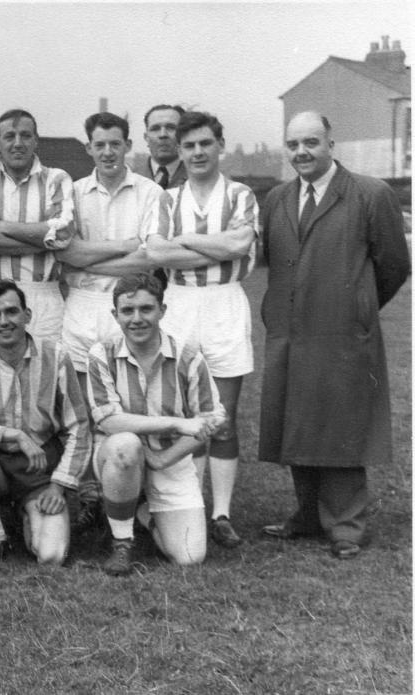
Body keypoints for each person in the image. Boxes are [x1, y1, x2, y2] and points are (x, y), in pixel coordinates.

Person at [258, 111, 409, 560]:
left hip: (344, 331)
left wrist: (358, 306)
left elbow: (395, 266)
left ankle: (346, 525)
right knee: (297, 420)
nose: (301, 152)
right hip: (289, 330)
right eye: (293, 145)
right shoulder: (278, 198)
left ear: (331, 144)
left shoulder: (370, 193)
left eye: (311, 142)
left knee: (342, 422)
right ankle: (307, 515)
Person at [145, 111, 258, 548]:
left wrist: (184, 243)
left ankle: (222, 512)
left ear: (219, 146)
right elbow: (157, 251)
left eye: (205, 144)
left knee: (222, 419)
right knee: (183, 416)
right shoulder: (167, 200)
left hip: (226, 305)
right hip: (180, 306)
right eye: (188, 145)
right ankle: (183, 503)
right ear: (180, 150)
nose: (197, 152)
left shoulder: (241, 194)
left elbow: (240, 245)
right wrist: (213, 246)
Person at [56, 111, 170, 530]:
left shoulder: (151, 192)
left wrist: (95, 254)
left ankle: (138, 499)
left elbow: (148, 258)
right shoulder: (71, 192)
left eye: (115, 143)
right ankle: (90, 498)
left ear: (128, 147)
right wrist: (123, 248)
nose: (107, 151)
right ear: (89, 148)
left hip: (131, 309)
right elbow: (66, 252)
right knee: (84, 413)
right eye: (99, 144)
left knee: (131, 406)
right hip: (82, 307)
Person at [87, 273, 225, 576]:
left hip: (169, 459)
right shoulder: (102, 353)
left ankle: (142, 513)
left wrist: (163, 458)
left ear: (162, 310)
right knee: (126, 445)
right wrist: (177, 422)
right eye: (127, 311)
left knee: (189, 556)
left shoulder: (188, 356)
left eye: (146, 309)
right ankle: (122, 541)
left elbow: (212, 418)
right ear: (115, 315)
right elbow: (108, 420)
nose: (137, 319)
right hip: (118, 456)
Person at [0, 281, 90, 568]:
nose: (4, 321)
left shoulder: (56, 357)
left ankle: (25, 513)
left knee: (50, 556)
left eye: (12, 312)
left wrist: (59, 486)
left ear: (27, 315)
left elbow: (80, 427)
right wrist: (14, 435)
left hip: (37, 470)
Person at [0, 109, 75, 344]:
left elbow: (63, 235)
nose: (18, 143)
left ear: (36, 140)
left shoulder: (56, 179)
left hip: (44, 296)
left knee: (45, 373)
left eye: (25, 135)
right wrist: (45, 242)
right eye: (9, 136)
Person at [140, 104, 187, 190]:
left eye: (171, 128)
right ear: (146, 137)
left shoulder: (197, 178)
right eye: (155, 129)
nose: (163, 134)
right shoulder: (131, 178)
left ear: (183, 135)